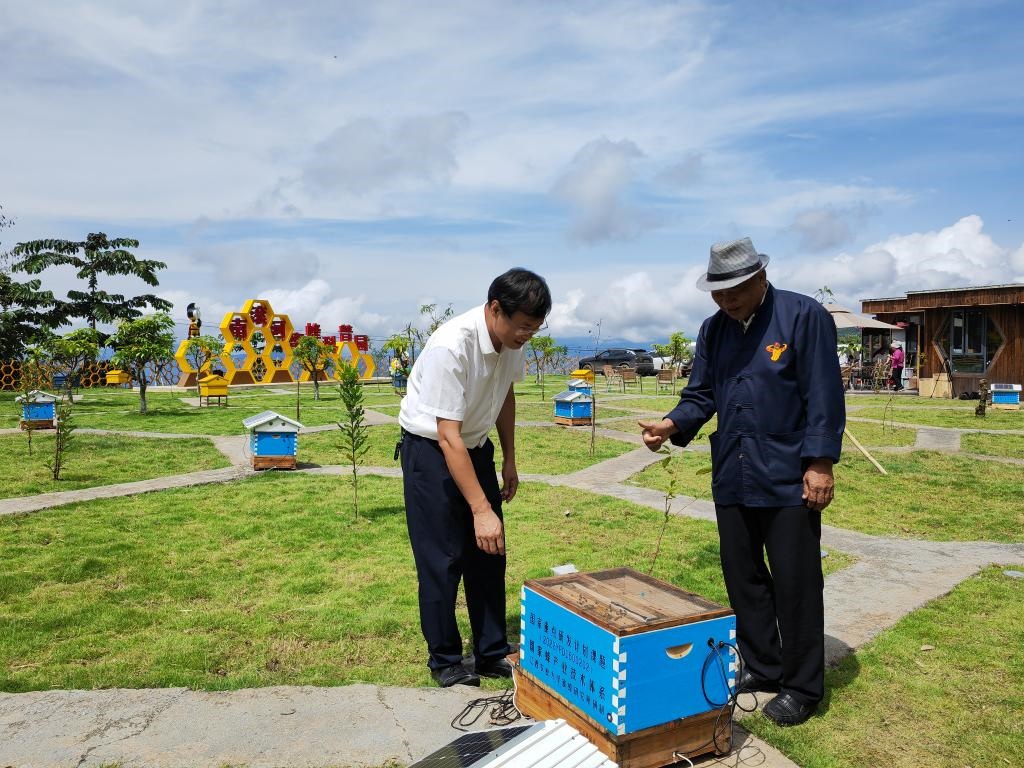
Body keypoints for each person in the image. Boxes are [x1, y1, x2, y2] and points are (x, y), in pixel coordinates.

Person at [638, 237, 845, 727]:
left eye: (734, 292)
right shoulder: (714, 330)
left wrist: (820, 463)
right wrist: (673, 424)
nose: (726, 302)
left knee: (795, 580)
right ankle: (763, 664)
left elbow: (824, 393)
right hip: (733, 467)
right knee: (743, 575)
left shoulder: (803, 316)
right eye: (718, 293)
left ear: (758, 279)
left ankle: (801, 685)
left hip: (788, 472)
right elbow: (701, 393)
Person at [398, 268, 551, 687]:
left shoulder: (511, 339)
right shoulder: (452, 346)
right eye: (523, 328)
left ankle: (491, 651)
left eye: (534, 331)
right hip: (432, 452)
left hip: (476, 446)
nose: (526, 337)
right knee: (442, 558)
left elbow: (505, 396)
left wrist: (509, 459)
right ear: (495, 309)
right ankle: (445, 659)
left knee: (489, 553)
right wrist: (480, 508)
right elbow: (447, 437)